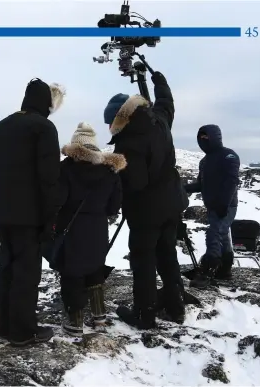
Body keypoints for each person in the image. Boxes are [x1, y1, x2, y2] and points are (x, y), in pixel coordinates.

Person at [103, 71, 189, 329]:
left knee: (143, 261)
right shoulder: (160, 120)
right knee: (167, 255)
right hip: (172, 204)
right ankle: (175, 306)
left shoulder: (128, 142)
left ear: (120, 119)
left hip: (145, 212)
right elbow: (166, 103)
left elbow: (137, 183)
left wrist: (116, 176)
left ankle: (145, 313)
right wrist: (159, 81)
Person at [0, 77, 65, 346]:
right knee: (26, 272)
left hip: (4, 212)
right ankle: (23, 331)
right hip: (30, 214)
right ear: (45, 102)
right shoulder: (43, 128)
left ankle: (6, 325)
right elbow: (49, 177)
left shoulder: (1, 126)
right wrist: (50, 216)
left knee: (6, 268)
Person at [56, 123, 125, 336]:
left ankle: (75, 322)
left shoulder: (66, 168)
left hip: (71, 227)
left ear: (75, 146)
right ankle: (99, 317)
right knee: (95, 267)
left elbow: (57, 199)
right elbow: (114, 206)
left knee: (72, 271)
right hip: (97, 227)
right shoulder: (109, 171)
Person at [185, 125, 240, 288]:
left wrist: (224, 203)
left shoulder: (229, 156)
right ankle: (225, 270)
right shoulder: (204, 161)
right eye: (200, 138)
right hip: (212, 206)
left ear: (215, 137)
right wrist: (182, 188)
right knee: (222, 234)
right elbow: (201, 184)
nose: (203, 141)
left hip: (227, 205)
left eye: (206, 137)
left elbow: (232, 181)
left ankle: (208, 270)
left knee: (214, 233)